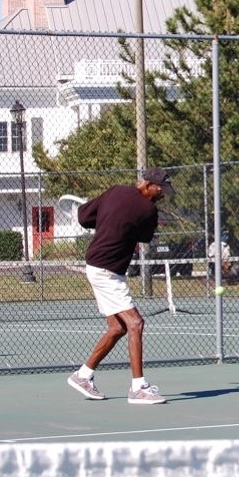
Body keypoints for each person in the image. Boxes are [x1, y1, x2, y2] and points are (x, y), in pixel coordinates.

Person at [66, 168, 174, 405]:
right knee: (136, 323)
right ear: (146, 184)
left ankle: (83, 375)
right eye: (159, 189)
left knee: (117, 328)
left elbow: (84, 217)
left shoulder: (114, 192)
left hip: (99, 266)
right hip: (106, 272)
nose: (162, 194)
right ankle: (139, 388)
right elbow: (145, 237)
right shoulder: (148, 210)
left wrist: (108, 216)